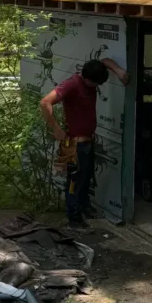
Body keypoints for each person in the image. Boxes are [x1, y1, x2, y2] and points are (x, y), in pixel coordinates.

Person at [40, 57, 129, 226]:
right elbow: (45, 103)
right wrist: (56, 129)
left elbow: (105, 61)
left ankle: (81, 211)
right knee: (75, 182)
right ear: (87, 78)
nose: (96, 87)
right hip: (73, 144)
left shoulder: (92, 70)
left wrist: (119, 72)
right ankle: (74, 219)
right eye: (95, 84)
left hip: (86, 143)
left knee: (85, 180)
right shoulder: (72, 84)